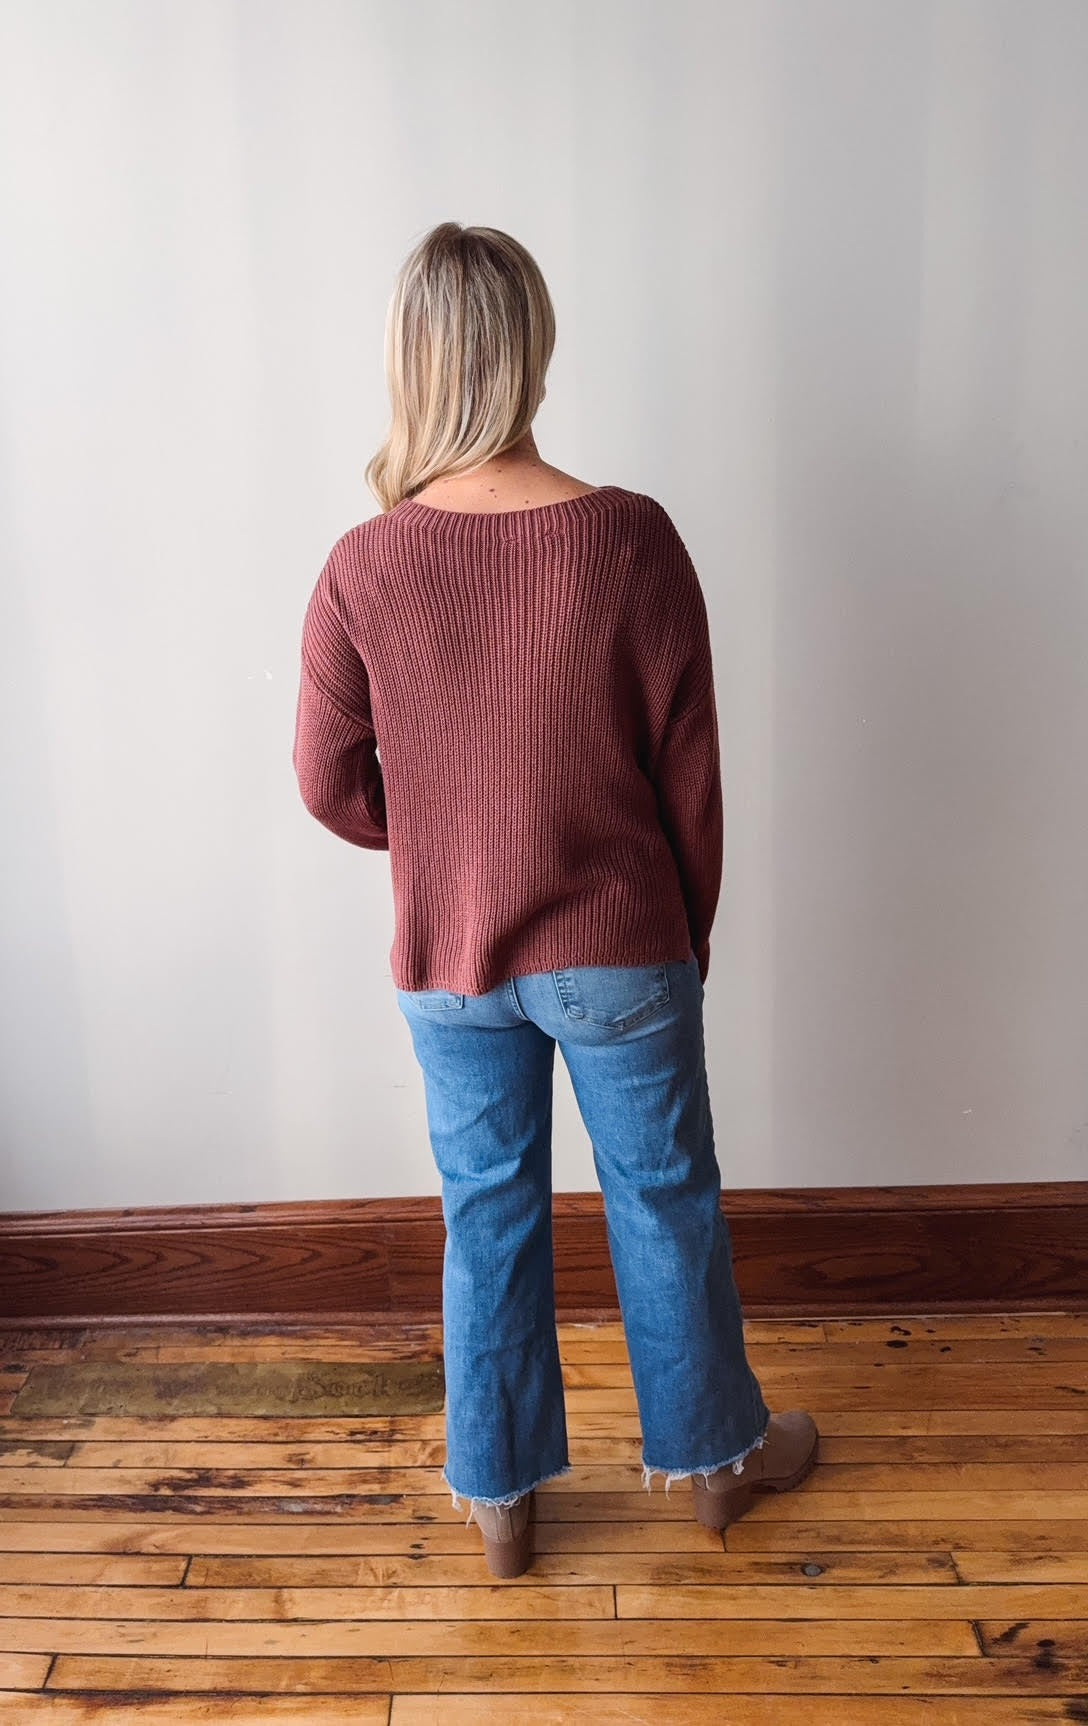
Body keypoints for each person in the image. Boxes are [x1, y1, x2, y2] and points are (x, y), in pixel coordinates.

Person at [293, 221, 818, 1578]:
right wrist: (683, 929)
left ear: (414, 362)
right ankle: (712, 1463)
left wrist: (441, 848)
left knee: (489, 1208)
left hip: (448, 952)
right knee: (664, 1195)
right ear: (530, 350)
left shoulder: (363, 563)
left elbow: (325, 779)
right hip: (618, 942)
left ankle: (504, 1499)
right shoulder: (629, 536)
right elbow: (687, 771)